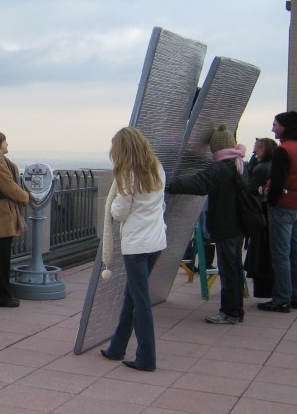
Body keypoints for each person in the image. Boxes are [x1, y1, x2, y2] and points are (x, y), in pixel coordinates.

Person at [100, 127, 167, 371]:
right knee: (132, 296)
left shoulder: (128, 175)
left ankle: (146, 358)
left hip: (136, 245)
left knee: (140, 301)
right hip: (156, 241)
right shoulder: (157, 168)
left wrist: (112, 203)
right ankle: (116, 347)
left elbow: (119, 212)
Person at [168, 124, 247, 324]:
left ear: (215, 147)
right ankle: (236, 311)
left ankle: (229, 312)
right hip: (239, 224)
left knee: (228, 270)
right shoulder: (239, 164)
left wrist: (170, 185)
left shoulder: (221, 168)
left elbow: (199, 183)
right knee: (235, 268)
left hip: (226, 225)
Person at [259, 111, 297, 313]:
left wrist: (269, 201)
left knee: (281, 255)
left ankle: (282, 299)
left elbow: (278, 181)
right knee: (296, 252)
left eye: (275, 125)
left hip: (282, 207)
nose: (273, 128)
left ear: (284, 126)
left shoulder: (283, 150)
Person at [0, 131, 31, 307]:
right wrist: (25, 196)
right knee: (0, 260)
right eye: (4, 141)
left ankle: (1, 294)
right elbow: (7, 185)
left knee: (1, 258)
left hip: (0, 216)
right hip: (0, 217)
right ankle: (0, 296)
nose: (7, 144)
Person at [245, 138, 277, 298]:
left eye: (260, 148)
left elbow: (249, 190)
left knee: (259, 252)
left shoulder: (261, 168)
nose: (256, 150)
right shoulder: (273, 165)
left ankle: (263, 288)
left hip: (260, 212)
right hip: (270, 212)